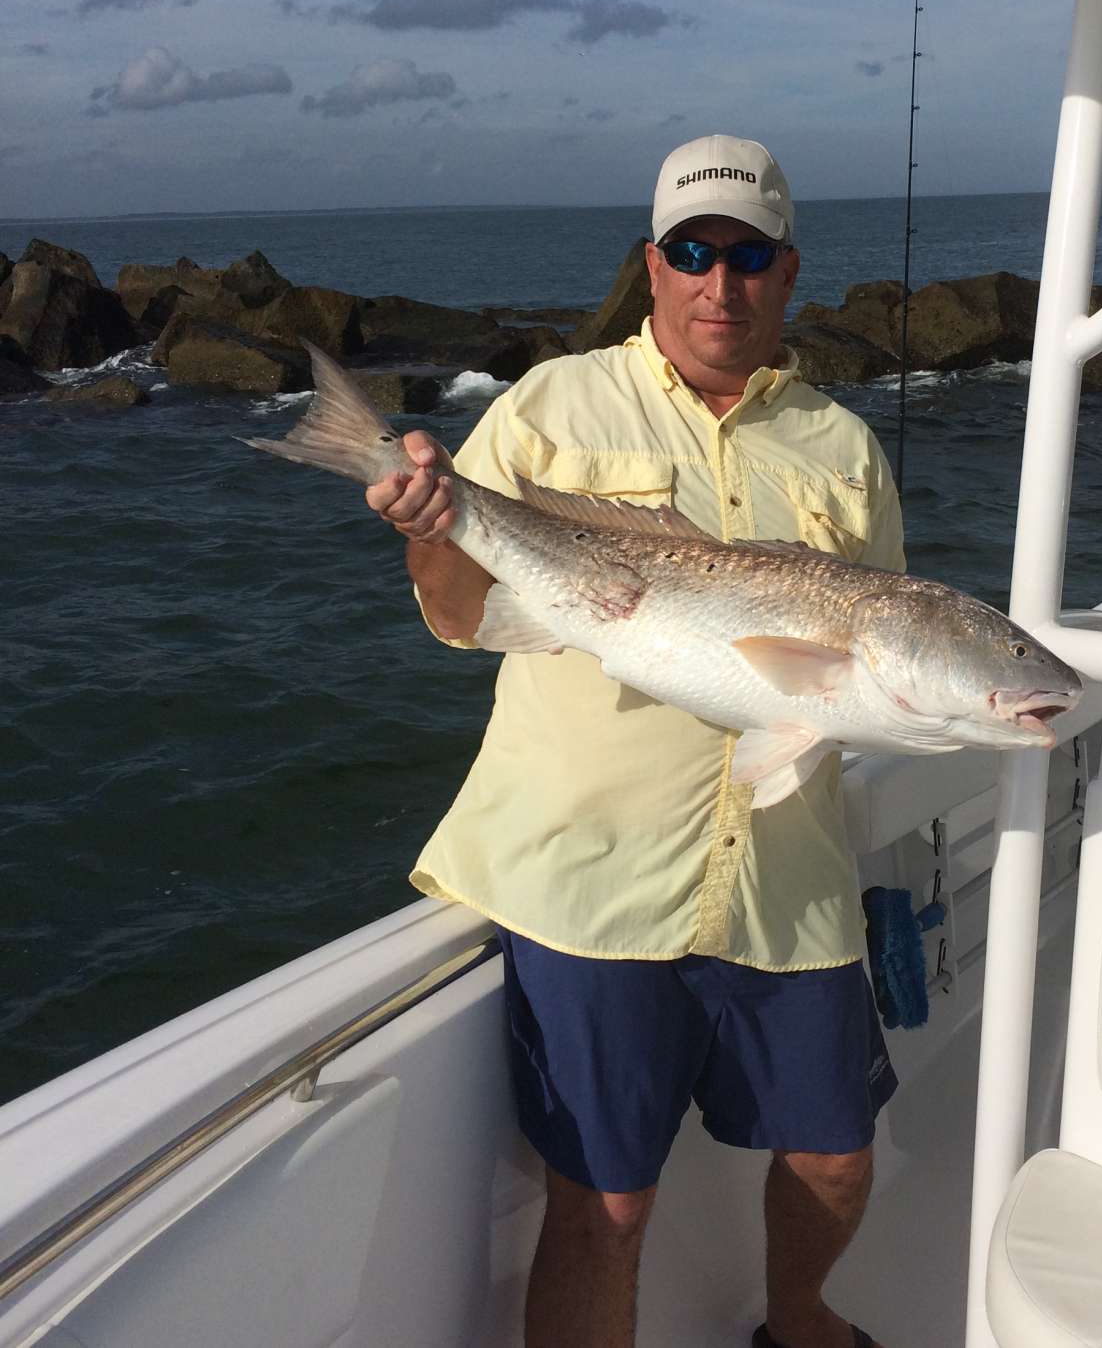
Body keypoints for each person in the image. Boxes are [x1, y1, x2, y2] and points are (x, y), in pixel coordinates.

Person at [366, 135, 904, 1348]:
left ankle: (799, 1320)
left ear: (789, 272)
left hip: (785, 873)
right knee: (607, 1204)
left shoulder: (844, 449)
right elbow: (460, 618)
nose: (722, 283)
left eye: (750, 256)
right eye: (693, 252)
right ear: (652, 267)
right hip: (592, 878)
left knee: (837, 1157)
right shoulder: (551, 405)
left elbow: (872, 652)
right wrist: (428, 525)